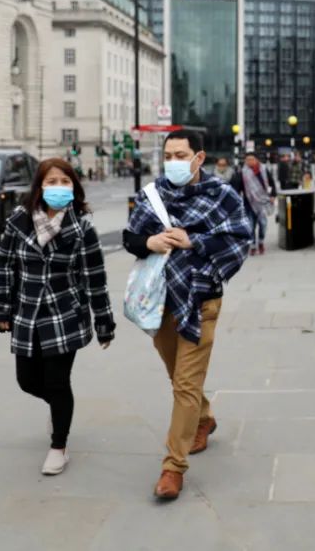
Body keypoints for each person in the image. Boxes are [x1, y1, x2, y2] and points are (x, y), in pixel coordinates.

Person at [122, 131, 252, 501]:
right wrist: (150, 242)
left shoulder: (222, 195)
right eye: (168, 154)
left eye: (181, 154)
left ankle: (172, 467)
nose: (173, 161)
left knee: (184, 384)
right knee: (178, 375)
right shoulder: (152, 195)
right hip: (159, 299)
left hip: (201, 298)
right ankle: (204, 419)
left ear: (199, 158)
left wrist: (194, 240)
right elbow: (129, 238)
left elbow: (239, 238)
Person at [0, 158, 115, 476]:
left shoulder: (83, 229)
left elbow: (95, 279)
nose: (58, 187)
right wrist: (1, 307)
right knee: (27, 381)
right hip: (27, 313)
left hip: (65, 315)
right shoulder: (19, 221)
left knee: (58, 382)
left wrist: (104, 323)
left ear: (74, 187)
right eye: (51, 181)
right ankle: (59, 410)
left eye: (64, 182)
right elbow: (4, 266)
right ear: (39, 187)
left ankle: (59, 445)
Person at [233, 151, 276, 255]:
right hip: (248, 203)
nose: (249, 162)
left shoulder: (264, 170)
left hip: (262, 203)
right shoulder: (242, 173)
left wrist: (273, 195)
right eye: (247, 160)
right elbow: (236, 187)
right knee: (251, 226)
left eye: (252, 159)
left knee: (263, 224)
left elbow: (272, 183)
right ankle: (252, 246)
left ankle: (261, 241)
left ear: (256, 160)